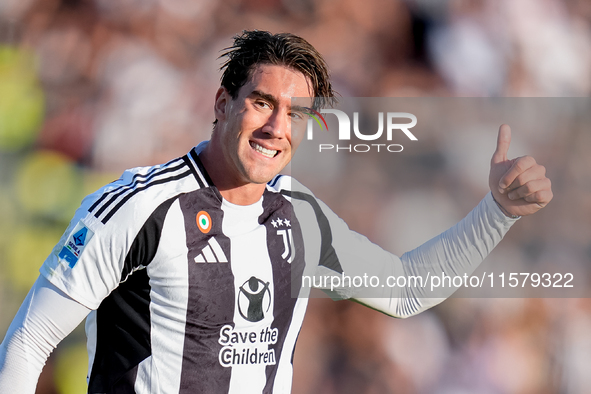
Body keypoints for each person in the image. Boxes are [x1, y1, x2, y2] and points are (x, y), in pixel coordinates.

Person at [0, 30, 552, 394]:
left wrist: (498, 211)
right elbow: (28, 342)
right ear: (223, 105)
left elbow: (406, 289)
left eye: (297, 113)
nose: (275, 128)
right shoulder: (140, 207)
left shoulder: (299, 216)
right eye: (262, 103)